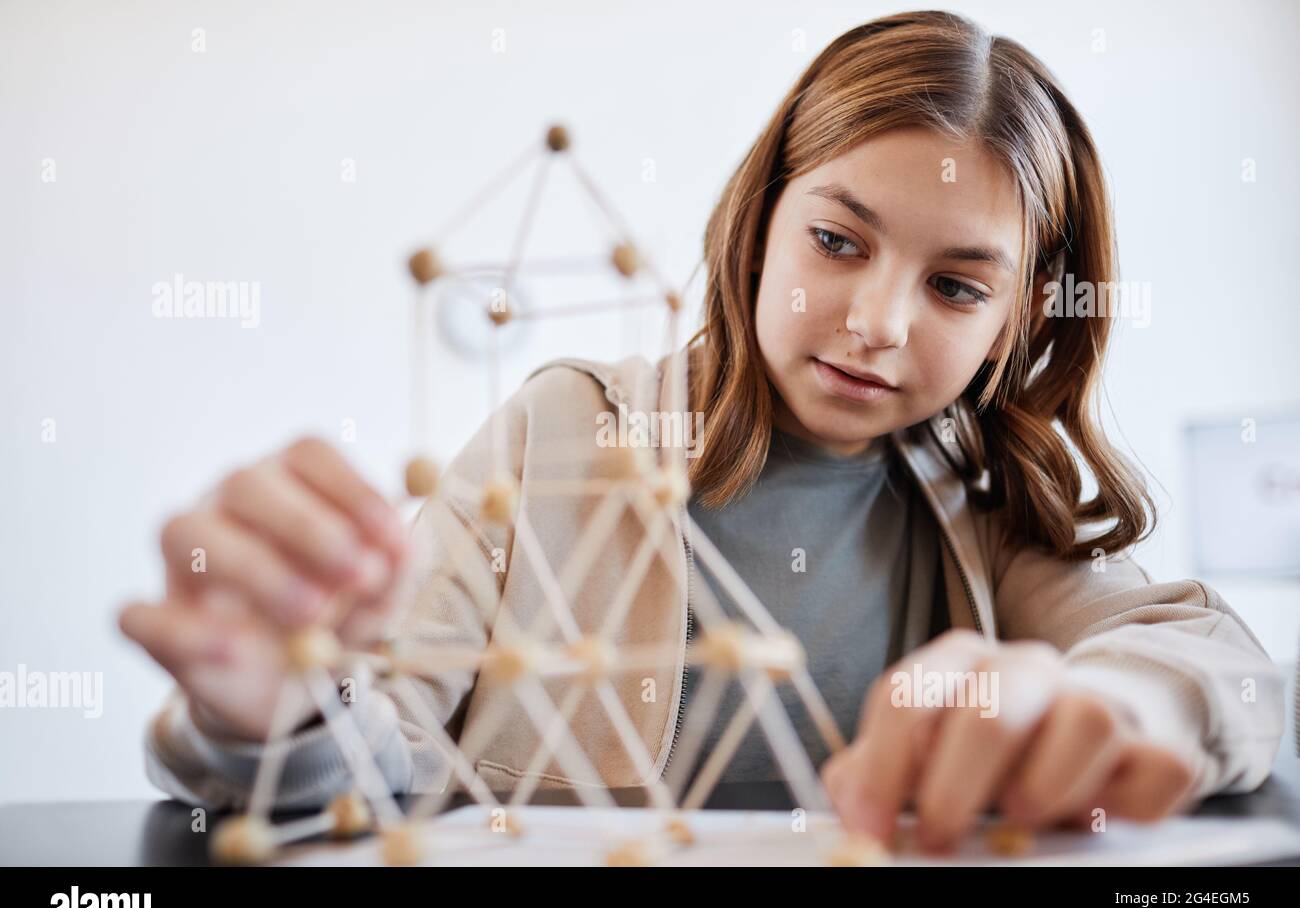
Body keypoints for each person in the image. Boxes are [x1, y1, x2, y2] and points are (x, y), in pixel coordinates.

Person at [120, 10, 1284, 853]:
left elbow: (1215, 663)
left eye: (955, 286)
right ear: (761, 221)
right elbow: (385, 746)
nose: (876, 324)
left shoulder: (986, 500)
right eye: (838, 241)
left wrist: (1120, 708)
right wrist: (282, 704)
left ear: (1018, 319)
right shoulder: (561, 428)